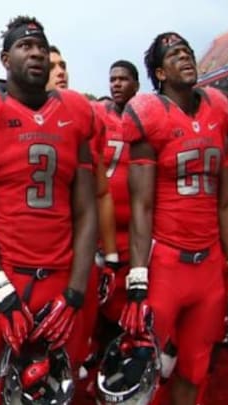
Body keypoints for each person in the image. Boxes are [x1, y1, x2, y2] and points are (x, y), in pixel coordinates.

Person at [0, 16, 97, 404]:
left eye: (41, 48)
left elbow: (86, 212)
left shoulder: (76, 115)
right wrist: (2, 293)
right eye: (24, 47)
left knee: (59, 387)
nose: (35, 54)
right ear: (4, 58)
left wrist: (76, 292)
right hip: (3, 273)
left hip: (61, 276)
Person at [120, 32, 228, 405]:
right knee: (143, 373)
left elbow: (226, 202)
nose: (186, 58)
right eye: (175, 55)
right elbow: (141, 206)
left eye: (188, 52)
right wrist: (138, 280)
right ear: (160, 72)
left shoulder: (219, 108)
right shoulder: (148, 114)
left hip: (208, 265)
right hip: (167, 264)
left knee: (194, 369)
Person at [94, 60, 140, 324]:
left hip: (135, 229)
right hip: (103, 229)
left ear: (136, 84)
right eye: (112, 80)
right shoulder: (98, 114)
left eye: (123, 79)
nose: (116, 84)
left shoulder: (147, 117)